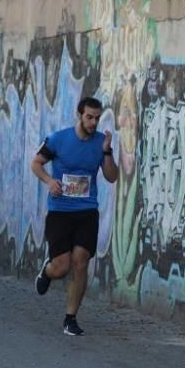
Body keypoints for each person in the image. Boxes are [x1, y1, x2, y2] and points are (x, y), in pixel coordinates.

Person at [30, 97, 118, 336]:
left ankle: (70, 318)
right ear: (80, 115)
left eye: (97, 118)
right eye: (89, 117)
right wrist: (49, 181)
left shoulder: (101, 143)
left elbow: (112, 176)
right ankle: (47, 271)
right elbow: (36, 163)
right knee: (62, 266)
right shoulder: (59, 139)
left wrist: (107, 152)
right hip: (60, 211)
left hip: (87, 211)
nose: (93, 122)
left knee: (80, 262)